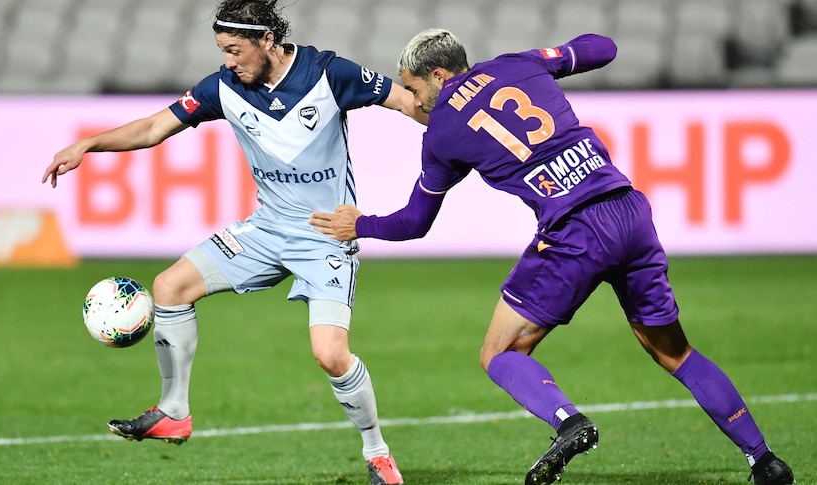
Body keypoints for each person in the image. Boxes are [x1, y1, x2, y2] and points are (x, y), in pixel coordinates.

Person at [309, 29, 796, 485]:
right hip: (628, 210)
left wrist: (361, 225)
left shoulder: (440, 135)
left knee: (498, 353)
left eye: (414, 90)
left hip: (573, 231)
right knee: (675, 353)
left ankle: (570, 421)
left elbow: (414, 223)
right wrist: (556, 59)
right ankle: (764, 460)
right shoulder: (516, 65)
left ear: (438, 75)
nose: (414, 103)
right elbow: (603, 47)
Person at [42, 1, 422, 483]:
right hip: (264, 230)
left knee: (329, 354)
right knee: (170, 288)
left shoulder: (331, 73)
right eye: (222, 51)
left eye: (235, 50)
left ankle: (378, 455)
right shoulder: (221, 88)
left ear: (267, 40)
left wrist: (464, 126)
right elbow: (156, 127)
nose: (228, 61)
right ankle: (174, 410)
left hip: (326, 235)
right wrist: (88, 144)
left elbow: (409, 103)